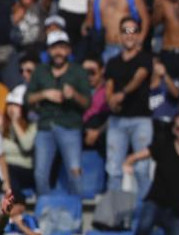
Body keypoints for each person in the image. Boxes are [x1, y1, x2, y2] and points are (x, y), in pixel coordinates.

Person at [27, 31, 90, 196]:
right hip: (46, 126)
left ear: (69, 50)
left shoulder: (78, 72)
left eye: (62, 47)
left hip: (70, 126)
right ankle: (45, 212)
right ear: (48, 51)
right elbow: (28, 98)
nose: (59, 52)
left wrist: (74, 95)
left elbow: (87, 102)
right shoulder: (40, 71)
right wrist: (44, 94)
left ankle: (75, 214)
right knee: (40, 174)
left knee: (75, 173)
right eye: (55, 48)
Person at [104, 16, 153, 196]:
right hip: (117, 120)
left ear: (139, 34)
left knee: (141, 169)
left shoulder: (145, 58)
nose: (129, 35)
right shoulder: (113, 62)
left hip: (140, 119)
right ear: (120, 35)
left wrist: (121, 95)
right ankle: (113, 218)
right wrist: (111, 100)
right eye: (125, 31)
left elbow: (139, 78)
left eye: (133, 31)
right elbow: (108, 84)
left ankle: (145, 216)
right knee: (113, 169)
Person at [2, 86, 36, 194]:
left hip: (24, 169)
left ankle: (15, 205)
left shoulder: (33, 126)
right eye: (10, 104)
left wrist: (15, 122)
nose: (11, 108)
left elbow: (26, 145)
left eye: (16, 105)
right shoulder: (4, 124)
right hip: (5, 168)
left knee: (9, 173)